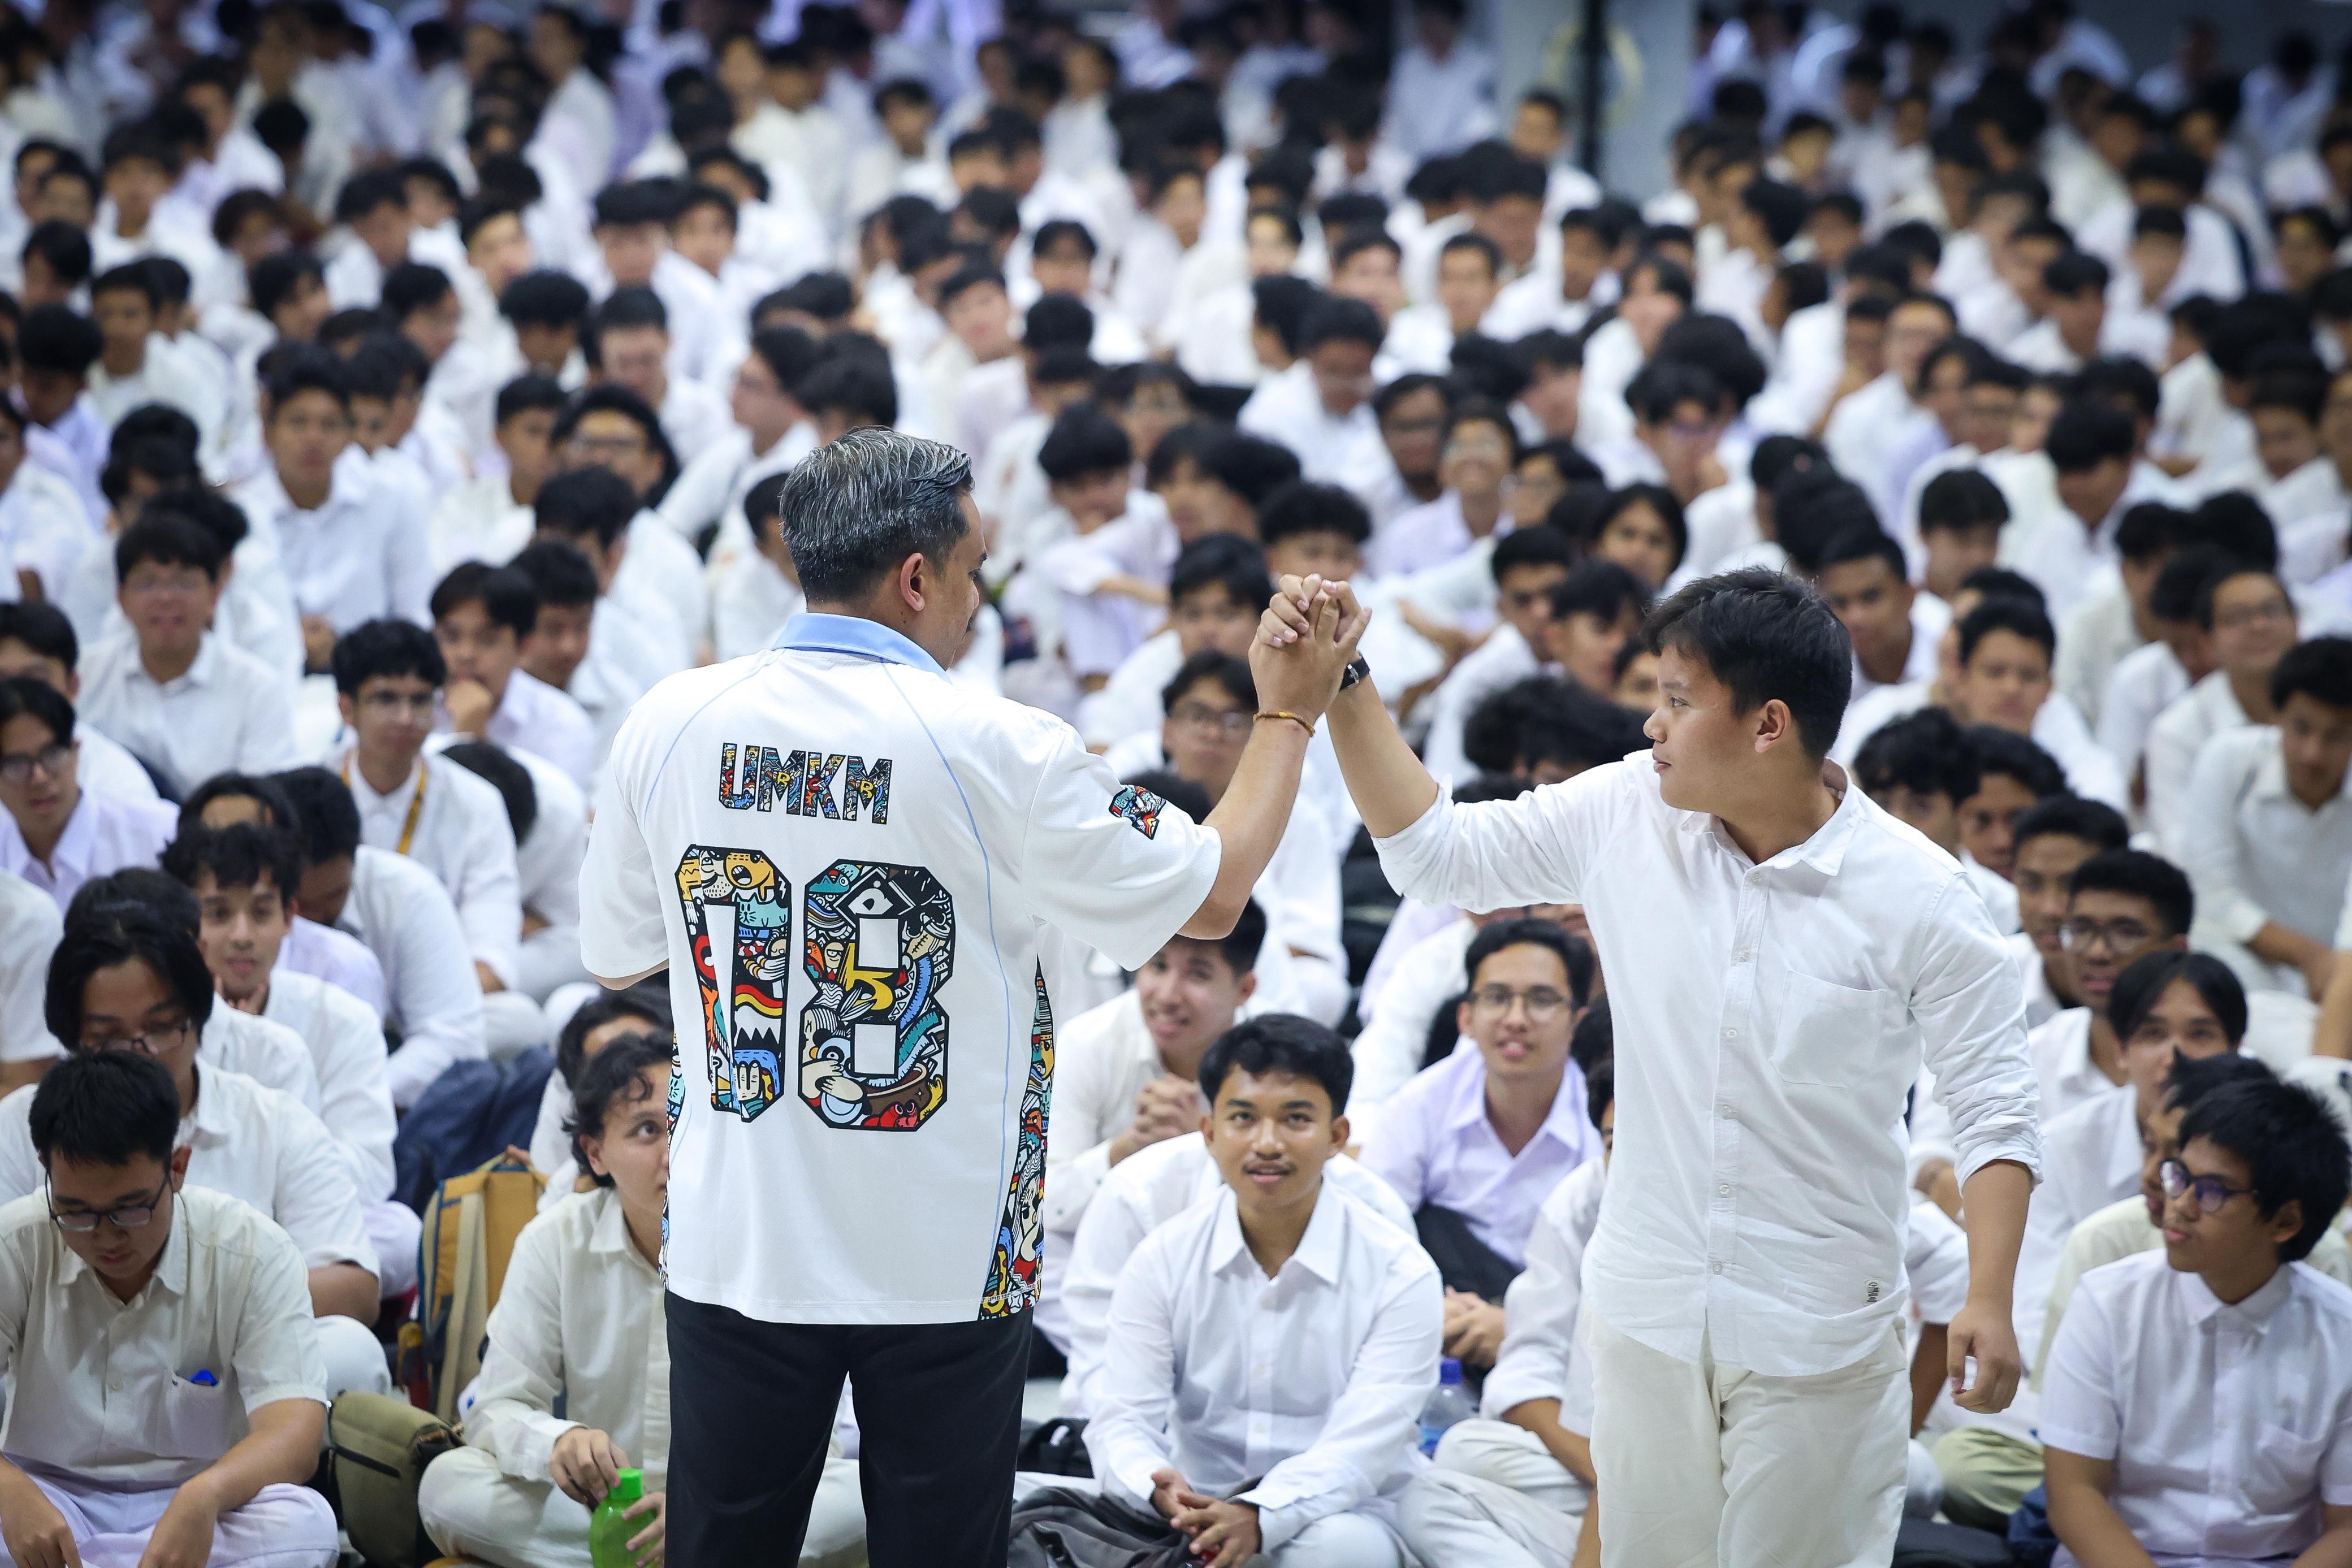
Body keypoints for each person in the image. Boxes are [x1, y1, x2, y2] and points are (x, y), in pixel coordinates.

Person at [578, 428, 1360, 1566]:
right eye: (974, 571)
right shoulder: (1001, 742)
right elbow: (1214, 887)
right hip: (944, 1249)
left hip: (738, 1231)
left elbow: (616, 959)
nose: (976, 602)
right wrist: (1287, 712)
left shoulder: (672, 716)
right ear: (915, 577)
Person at [1264, 564, 2039, 1566]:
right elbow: (1436, 855)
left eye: (1676, 701)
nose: (1651, 727)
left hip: (1819, 1325)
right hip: (1648, 1310)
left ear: (1768, 724)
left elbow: (1995, 1110)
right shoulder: (1628, 809)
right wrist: (1346, 680)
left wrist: (1987, 1293)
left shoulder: (1923, 893)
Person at [419, 1030, 870, 1568]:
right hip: (605, 1508)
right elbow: (497, 1406)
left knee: (865, 1493)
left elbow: (823, 1447)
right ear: (595, 1152)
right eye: (648, 1130)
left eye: (687, 1123)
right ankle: (672, 1553)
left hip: (743, 1508)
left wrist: (702, 1515)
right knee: (446, 1484)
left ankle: (680, 1547)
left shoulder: (774, 1243)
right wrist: (559, 1443)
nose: (674, 1150)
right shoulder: (556, 1239)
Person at [1083, 1014, 1441, 1566]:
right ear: (1208, 1133)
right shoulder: (1162, 1257)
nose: (1266, 1143)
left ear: (1336, 1136)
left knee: (1340, 1551)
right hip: (1196, 1507)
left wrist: (1259, 1513)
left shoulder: (1399, 1270)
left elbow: (1363, 1446)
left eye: (1295, 1118)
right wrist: (1157, 1487)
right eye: (1243, 1118)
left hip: (1342, 1511)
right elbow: (1121, 1416)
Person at [0, 907, 388, 1397]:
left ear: (199, 1019)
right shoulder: (20, 1124)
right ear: (69, 1035)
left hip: (228, 1366)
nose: (137, 1051)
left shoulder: (273, 1120)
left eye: (161, 1028)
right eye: (106, 1038)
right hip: (71, 1369)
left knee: (350, 1351)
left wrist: (188, 1317)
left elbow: (354, 1286)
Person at [0, 1050, 339, 1568]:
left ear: (177, 1168)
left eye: (129, 1208)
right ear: (47, 1173)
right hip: (48, 1495)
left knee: (306, 1523)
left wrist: (206, 1496)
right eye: (75, 1212)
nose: (105, 1236)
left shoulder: (252, 1250)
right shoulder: (14, 1244)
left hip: (201, 1499)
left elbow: (294, 1430)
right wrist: (8, 1490)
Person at [2041, 1071, 2352, 1566]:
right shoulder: (2107, 1304)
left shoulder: (2341, 1335)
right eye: (2179, 1175)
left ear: (2286, 1221)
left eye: (2212, 1191)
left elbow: (2346, 1529)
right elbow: (2074, 1495)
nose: (2178, 1206)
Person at [160, 821, 410, 1294]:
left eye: (260, 913)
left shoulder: (342, 1017)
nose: (241, 936)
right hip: (179, 1216)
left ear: (290, 916)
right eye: (217, 914)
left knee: (398, 1234)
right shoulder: (159, 1022)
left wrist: (279, 1172)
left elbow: (373, 1170)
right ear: (186, 924)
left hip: (308, 1219)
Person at [1398, 1058, 1613, 1566]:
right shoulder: (1585, 1203)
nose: (1625, 1162)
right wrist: (1613, 1484)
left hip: (1710, 1485)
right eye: (1612, 1143)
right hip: (1606, 1476)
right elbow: (1526, 1376)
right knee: (1458, 1458)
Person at [1360, 918, 1601, 1366]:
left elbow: (1614, 1272)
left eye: (1542, 1000)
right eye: (1496, 998)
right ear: (1466, 1018)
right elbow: (1367, 1235)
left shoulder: (1601, 1123)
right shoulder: (1421, 1105)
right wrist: (1431, 1309)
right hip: (1433, 1327)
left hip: (1563, 1342)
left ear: (1577, 1021)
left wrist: (1521, 1326)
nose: (1516, 1020)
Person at [1039, 899, 1266, 1344]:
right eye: (1157, 965)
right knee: (1035, 1258)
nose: (1167, 994)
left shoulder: (1275, 1058)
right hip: (1105, 1256)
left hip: (1225, 1260)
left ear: (1244, 989)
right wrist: (1126, 1150)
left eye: (1198, 973)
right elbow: (1044, 1204)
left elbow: (1291, 1198)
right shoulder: (1089, 1042)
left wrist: (1205, 1153)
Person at [74, 513, 299, 799]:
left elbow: (262, 801)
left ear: (215, 596)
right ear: (121, 599)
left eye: (184, 583)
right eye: (148, 584)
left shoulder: (258, 689)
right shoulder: (84, 676)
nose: (166, 598)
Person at [2178, 636, 2352, 998]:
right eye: (2301, 728)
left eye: (2336, 736)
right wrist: (2308, 957)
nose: (2312, 754)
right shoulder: (2228, 759)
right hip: (2245, 964)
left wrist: (2336, 971)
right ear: (2275, 715)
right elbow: (2211, 891)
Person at [0, 677, 176, 913]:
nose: (39, 777)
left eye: (52, 755)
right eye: (17, 765)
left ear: (76, 752)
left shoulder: (159, 834)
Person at [431, 562, 599, 788]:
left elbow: (552, 821)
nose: (466, 654)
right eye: (451, 637)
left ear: (523, 647)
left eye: (487, 640)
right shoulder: (410, 705)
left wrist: (474, 744)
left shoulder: (563, 724)